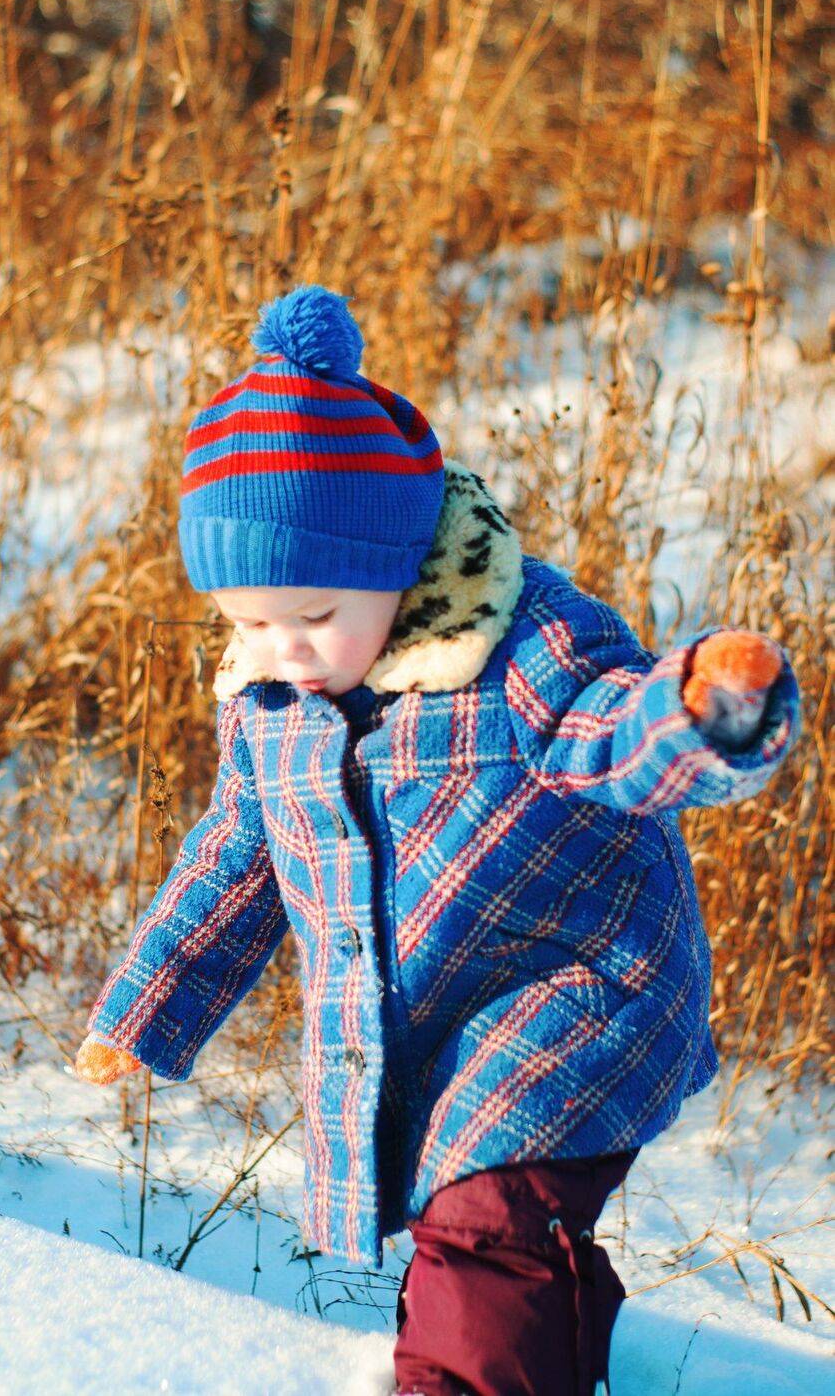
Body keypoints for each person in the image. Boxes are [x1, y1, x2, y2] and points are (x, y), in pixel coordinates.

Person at [73, 285, 800, 1396]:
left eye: (316, 615)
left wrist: (703, 712)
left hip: (580, 987)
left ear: (400, 566)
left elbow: (614, 726)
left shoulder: (522, 649)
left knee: (486, 1208)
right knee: (466, 1209)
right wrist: (145, 1009)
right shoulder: (267, 708)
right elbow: (234, 860)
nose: (285, 648)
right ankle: (547, 1341)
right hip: (439, 1023)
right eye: (248, 621)